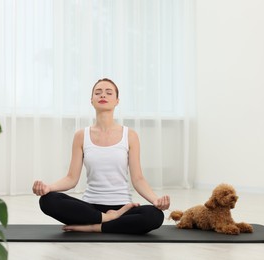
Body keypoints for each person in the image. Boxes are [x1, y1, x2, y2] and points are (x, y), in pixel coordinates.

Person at [32, 78, 170, 234]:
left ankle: (95, 227)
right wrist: (48, 188)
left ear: (117, 101)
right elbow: (71, 178)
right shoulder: (81, 136)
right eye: (98, 93)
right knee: (47, 200)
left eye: (108, 93)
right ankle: (107, 219)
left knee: (155, 215)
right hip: (90, 209)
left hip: (123, 208)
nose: (103, 95)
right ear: (92, 100)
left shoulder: (130, 135)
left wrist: (155, 200)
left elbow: (138, 179)